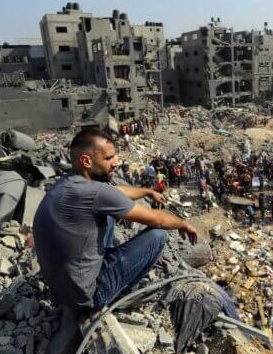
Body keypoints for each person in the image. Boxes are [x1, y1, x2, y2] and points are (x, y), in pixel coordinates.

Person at [33, 129, 199, 312]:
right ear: (86, 161)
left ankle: (106, 269)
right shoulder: (95, 193)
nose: (116, 163)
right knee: (158, 235)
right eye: (108, 158)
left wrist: (147, 191)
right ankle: (121, 294)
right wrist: (183, 223)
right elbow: (157, 220)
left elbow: (114, 193)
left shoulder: (68, 182)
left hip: (61, 290)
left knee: (108, 217)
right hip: (88, 297)